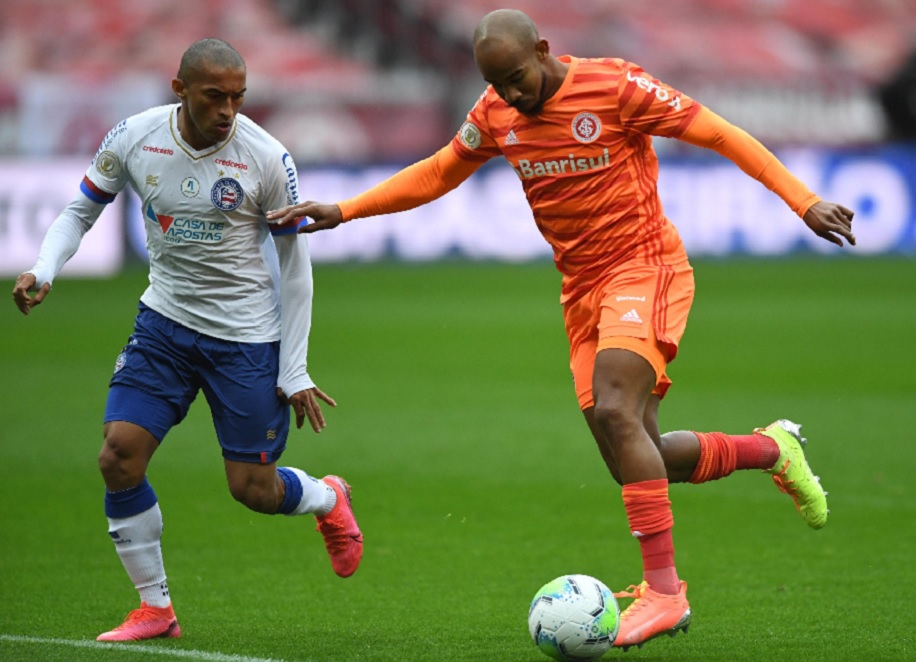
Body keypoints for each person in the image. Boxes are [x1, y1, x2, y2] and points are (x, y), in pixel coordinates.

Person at [269, 9, 855, 651]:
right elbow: (439, 171)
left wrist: (804, 200)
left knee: (614, 411)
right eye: (498, 84)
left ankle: (665, 592)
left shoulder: (616, 86)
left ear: (544, 50)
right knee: (637, 455)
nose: (511, 96)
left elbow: (719, 133)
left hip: (646, 267)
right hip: (582, 290)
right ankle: (772, 450)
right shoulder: (494, 112)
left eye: (517, 78)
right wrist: (344, 209)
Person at [11, 38, 363, 642]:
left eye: (238, 97)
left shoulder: (266, 157)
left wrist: (295, 367)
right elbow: (80, 211)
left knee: (251, 490)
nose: (228, 109)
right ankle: (155, 608)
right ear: (181, 90)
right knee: (117, 455)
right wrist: (43, 269)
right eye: (214, 96)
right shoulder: (135, 137)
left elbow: (296, 266)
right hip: (164, 326)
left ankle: (328, 499)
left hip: (246, 339)